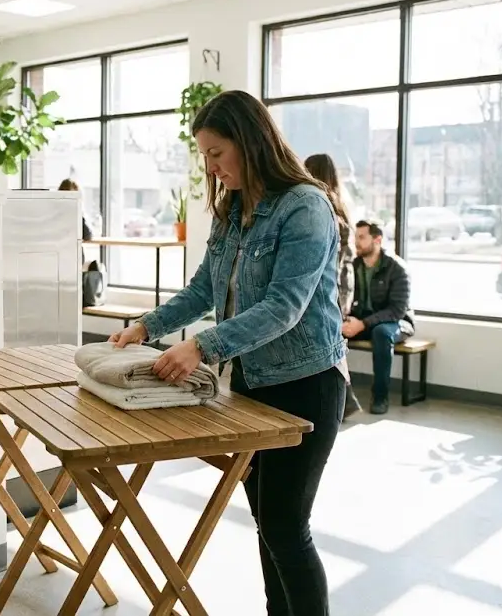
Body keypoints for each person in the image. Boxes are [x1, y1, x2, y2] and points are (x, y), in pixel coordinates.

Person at [110, 89, 346, 616]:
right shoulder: (233, 208)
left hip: (308, 383)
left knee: (286, 525)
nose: (211, 168)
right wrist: (147, 326)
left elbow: (285, 307)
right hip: (253, 382)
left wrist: (202, 345)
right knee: (267, 522)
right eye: (204, 156)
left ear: (252, 141)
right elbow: (203, 290)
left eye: (217, 153)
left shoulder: (305, 207)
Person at [304, 153, 363, 420]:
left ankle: (342, 399)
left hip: (327, 289)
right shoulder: (342, 211)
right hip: (343, 288)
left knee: (328, 344)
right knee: (332, 342)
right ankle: (345, 399)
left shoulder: (317, 209)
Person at [342, 219, 414, 415]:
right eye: (356, 237)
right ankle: (342, 397)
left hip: (396, 323)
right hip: (362, 321)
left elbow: (397, 311)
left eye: (362, 237)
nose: (357, 242)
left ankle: (380, 397)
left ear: (377, 239)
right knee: (331, 331)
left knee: (382, 333)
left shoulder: (397, 268)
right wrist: (345, 321)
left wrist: (362, 324)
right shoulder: (354, 265)